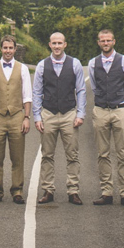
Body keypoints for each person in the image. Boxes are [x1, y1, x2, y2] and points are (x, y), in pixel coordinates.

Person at [32, 30, 86, 205]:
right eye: (53, 43)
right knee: (47, 154)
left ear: (65, 45)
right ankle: (48, 190)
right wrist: (37, 116)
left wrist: (80, 113)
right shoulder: (42, 65)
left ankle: (73, 190)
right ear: (50, 45)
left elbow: (81, 90)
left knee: (72, 154)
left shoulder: (75, 64)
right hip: (48, 113)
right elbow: (37, 92)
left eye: (59, 43)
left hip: (69, 113)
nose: (56, 46)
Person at [87, 28, 124, 208]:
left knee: (123, 153)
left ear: (114, 41)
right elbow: (94, 85)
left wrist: (120, 101)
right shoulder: (93, 63)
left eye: (108, 40)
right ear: (98, 43)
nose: (105, 43)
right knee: (102, 153)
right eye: (102, 40)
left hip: (119, 110)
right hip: (100, 110)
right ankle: (106, 192)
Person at [0, 34, 33, 204]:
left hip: (17, 116)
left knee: (17, 157)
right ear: (1, 49)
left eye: (11, 48)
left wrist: (26, 117)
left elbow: (27, 96)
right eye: (5, 48)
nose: (8, 51)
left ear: (15, 49)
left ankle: (17, 190)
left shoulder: (23, 69)